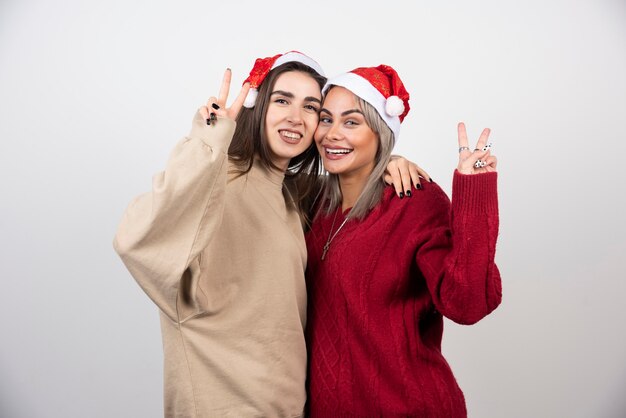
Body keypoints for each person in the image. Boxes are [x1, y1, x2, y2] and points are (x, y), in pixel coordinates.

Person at [113, 52, 426, 417]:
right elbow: (138, 238)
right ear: (256, 106)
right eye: (281, 100)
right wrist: (208, 142)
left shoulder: (291, 194)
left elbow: (344, 186)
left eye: (311, 108)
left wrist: (382, 162)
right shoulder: (217, 179)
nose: (296, 117)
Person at [305, 65, 502, 417]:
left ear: (381, 132)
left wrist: (474, 191)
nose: (332, 134)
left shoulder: (414, 200)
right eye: (325, 119)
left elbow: (467, 304)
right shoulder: (310, 203)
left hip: (408, 407)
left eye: (351, 122)